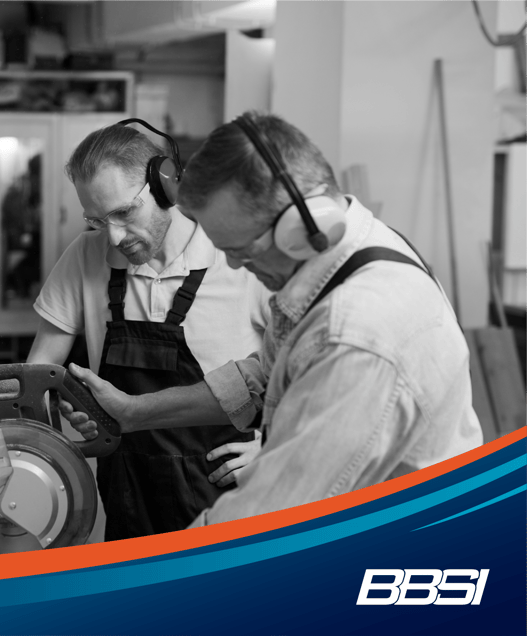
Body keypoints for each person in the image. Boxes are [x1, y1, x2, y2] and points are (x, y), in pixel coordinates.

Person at [63, 111, 484, 526]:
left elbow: (274, 513)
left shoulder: (357, 334)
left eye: (244, 250)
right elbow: (264, 375)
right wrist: (136, 412)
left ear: (303, 226)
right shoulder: (350, 251)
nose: (236, 264)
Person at [26, 121, 271, 540]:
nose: (115, 236)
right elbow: (35, 374)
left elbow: (304, 371)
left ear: (165, 186)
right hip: (128, 494)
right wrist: (77, 409)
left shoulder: (235, 259)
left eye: (123, 212)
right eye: (97, 220)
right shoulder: (86, 257)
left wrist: (273, 448)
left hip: (228, 495)